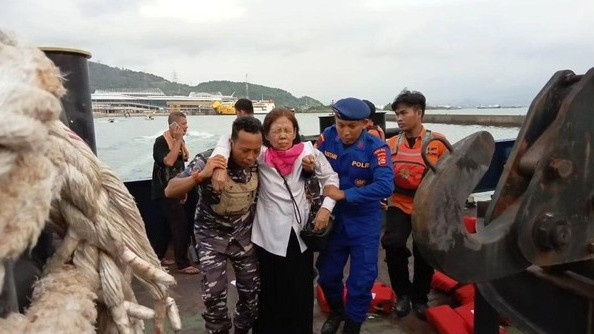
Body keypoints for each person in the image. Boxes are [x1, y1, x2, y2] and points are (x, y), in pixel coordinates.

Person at [211, 108, 340, 334]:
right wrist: (219, 166)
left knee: (300, 290)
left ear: (295, 132)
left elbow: (331, 177)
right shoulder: (260, 154)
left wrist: (326, 209)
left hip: (299, 235)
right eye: (276, 130)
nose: (282, 135)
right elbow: (226, 139)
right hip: (269, 236)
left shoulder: (308, 152)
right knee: (269, 291)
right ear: (266, 135)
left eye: (287, 130)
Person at [165, 116, 264, 334]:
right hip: (211, 237)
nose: (251, 157)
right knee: (214, 295)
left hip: (243, 236)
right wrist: (200, 177)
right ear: (231, 144)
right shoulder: (209, 159)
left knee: (251, 294)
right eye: (245, 150)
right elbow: (170, 189)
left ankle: (241, 329)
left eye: (256, 150)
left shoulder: (259, 161)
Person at [315, 98, 394, 334]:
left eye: (352, 126)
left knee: (361, 281)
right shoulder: (326, 137)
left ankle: (352, 324)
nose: (345, 132)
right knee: (327, 276)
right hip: (334, 221)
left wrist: (344, 194)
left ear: (366, 123)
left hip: (364, 223)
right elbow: (313, 168)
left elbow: (385, 186)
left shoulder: (377, 148)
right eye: (341, 125)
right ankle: (337, 311)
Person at [382, 90, 448, 320]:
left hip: (426, 206)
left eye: (404, 113)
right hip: (399, 203)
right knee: (392, 244)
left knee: (424, 253)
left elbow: (452, 175)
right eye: (397, 114)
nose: (399, 118)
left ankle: (420, 298)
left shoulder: (437, 142)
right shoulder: (390, 144)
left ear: (419, 113)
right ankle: (402, 294)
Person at [150, 111, 197, 274]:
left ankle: (158, 257)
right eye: (183, 125)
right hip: (164, 191)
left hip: (175, 189)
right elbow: (169, 161)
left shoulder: (180, 142)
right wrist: (177, 140)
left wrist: (183, 189)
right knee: (180, 225)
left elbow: (181, 167)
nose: (186, 128)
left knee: (165, 226)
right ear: (174, 126)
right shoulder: (161, 142)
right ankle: (182, 263)